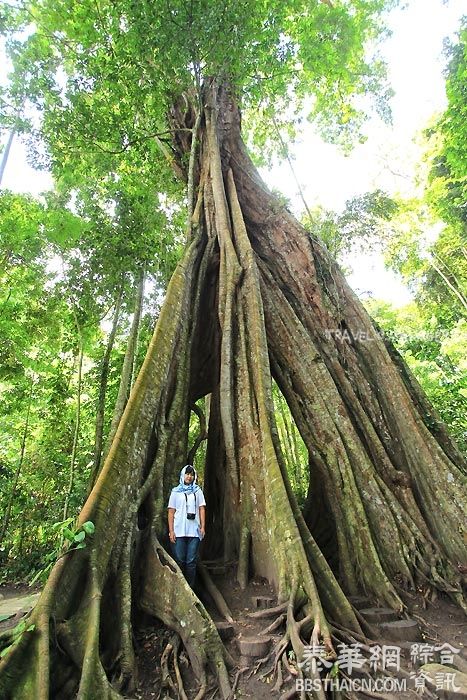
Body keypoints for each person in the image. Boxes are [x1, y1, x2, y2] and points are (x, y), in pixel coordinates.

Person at [167, 464, 206, 588]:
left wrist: (203, 526)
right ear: (183, 475)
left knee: (191, 561)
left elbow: (201, 509)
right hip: (178, 531)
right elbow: (171, 512)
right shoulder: (175, 492)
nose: (189, 477)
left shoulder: (197, 491)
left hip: (194, 531)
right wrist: (171, 531)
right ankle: (179, 589)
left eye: (191, 474)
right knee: (179, 560)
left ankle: (190, 589)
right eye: (187, 474)